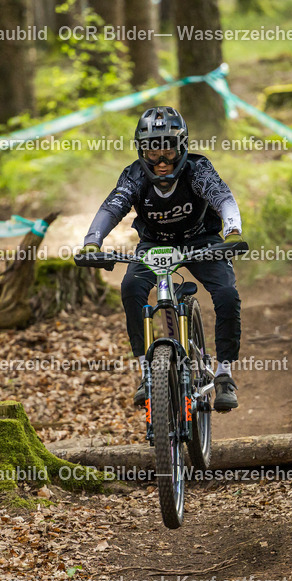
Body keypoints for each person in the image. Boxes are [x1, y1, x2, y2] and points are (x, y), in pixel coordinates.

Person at [80, 106, 243, 412]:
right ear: (142, 151)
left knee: (227, 294)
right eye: (152, 153)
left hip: (201, 241)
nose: (162, 161)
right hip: (154, 245)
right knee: (130, 289)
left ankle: (224, 375)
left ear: (182, 147)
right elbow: (112, 207)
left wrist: (233, 232)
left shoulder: (198, 169)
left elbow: (223, 198)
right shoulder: (135, 176)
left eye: (168, 149)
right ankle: (146, 372)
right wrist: (92, 242)